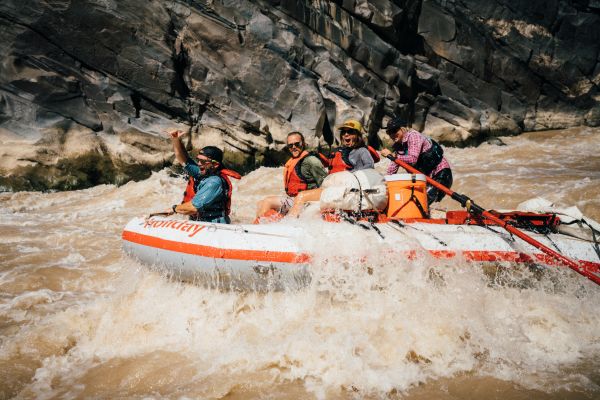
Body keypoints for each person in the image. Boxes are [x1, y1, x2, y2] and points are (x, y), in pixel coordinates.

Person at [286, 119, 379, 217]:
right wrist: (318, 157)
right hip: (334, 189)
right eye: (344, 132)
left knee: (301, 196)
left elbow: (369, 167)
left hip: (347, 191)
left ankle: (291, 224)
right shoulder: (339, 151)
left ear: (357, 135)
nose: (346, 135)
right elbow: (331, 166)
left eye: (350, 132)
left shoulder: (362, 151)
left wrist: (349, 174)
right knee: (303, 199)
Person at [166, 129, 240, 224]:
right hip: (201, 223)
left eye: (203, 161)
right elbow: (183, 159)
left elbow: (193, 208)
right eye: (198, 160)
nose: (199, 164)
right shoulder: (203, 171)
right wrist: (176, 139)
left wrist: (174, 209)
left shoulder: (214, 182)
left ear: (215, 165)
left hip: (215, 226)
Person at [380, 117, 452, 205]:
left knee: (422, 202)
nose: (391, 135)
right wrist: (385, 183)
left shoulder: (414, 136)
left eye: (394, 131)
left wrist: (393, 156)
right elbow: (393, 167)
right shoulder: (398, 146)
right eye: (389, 132)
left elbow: (412, 159)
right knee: (414, 201)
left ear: (403, 129)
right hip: (425, 179)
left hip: (441, 173)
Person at [256, 131, 327, 218]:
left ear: (303, 143)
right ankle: (259, 226)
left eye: (297, 144)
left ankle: (288, 224)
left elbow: (325, 185)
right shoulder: (292, 161)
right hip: (294, 199)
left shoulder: (312, 161)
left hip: (306, 200)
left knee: (268, 201)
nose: (294, 147)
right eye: (290, 145)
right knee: (261, 203)